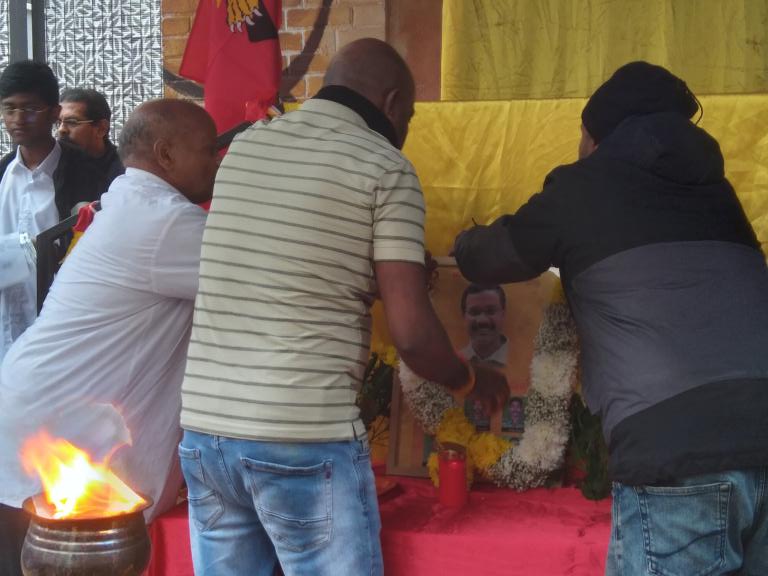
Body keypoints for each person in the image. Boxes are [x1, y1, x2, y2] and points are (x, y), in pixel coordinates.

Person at [178, 37, 509, 576]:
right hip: (302, 436)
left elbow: (287, 263)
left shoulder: (246, 147)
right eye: (410, 118)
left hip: (206, 432)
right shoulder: (385, 166)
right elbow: (412, 336)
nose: (406, 130)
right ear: (393, 104)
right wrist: (471, 379)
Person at [453, 61, 768, 575]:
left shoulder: (583, 187)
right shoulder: (719, 194)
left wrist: (462, 241)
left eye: (581, 135)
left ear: (597, 136)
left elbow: (493, 256)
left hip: (676, 451)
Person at [0, 99, 218, 576]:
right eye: (209, 149)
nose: (217, 161)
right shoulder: (163, 220)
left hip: (37, 416)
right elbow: (273, 278)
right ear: (165, 154)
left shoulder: (134, 204)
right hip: (50, 436)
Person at [0, 60, 104, 367]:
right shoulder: (3, 174)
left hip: (62, 327)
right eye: (9, 108)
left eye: (30, 108)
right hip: (6, 323)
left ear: (54, 112)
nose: (18, 119)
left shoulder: (87, 175)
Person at [58, 87, 124, 187]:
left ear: (101, 128)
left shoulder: (125, 170)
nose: (61, 129)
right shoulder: (53, 163)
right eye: (58, 122)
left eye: (72, 122)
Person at [459, 283, 508, 366]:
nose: (482, 320)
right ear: (464, 316)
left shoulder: (526, 360)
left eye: (491, 311)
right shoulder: (453, 363)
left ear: (503, 314)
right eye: (474, 312)